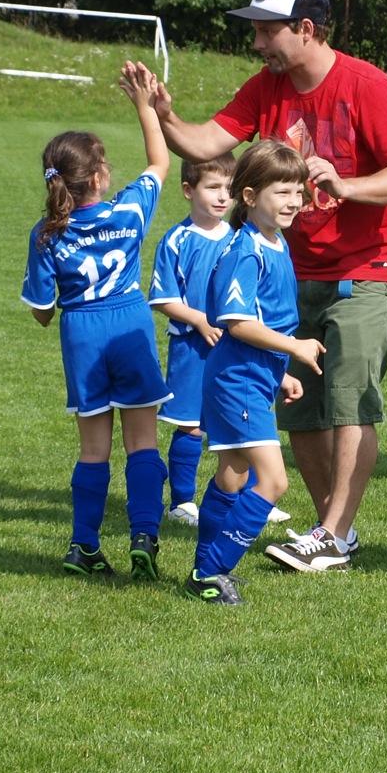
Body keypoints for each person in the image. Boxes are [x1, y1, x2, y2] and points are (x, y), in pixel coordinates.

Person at [138, 0, 387, 575]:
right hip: (292, 268)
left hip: (369, 263)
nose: (258, 44)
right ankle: (333, 534)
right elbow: (204, 143)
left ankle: (331, 533)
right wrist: (164, 115)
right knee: (299, 406)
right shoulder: (265, 86)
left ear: (306, 29)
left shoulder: (366, 85)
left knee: (348, 396)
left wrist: (346, 185)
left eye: (268, 31)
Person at [21, 71, 172, 581]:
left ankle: (83, 545)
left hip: (82, 333)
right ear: (100, 177)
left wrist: (55, 306)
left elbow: (42, 311)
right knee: (143, 442)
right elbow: (159, 162)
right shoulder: (128, 211)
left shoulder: (46, 233)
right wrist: (144, 105)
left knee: (93, 449)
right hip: (129, 325)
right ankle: (144, 536)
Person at [187, 141, 325, 605]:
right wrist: (296, 348)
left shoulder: (275, 241)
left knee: (232, 475)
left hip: (253, 375)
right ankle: (210, 571)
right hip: (238, 381)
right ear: (249, 196)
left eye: (299, 192)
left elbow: (262, 319)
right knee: (273, 481)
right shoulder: (246, 251)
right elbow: (239, 323)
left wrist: (279, 373)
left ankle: (205, 567)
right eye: (282, 192)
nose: (294, 201)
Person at [148, 154, 236, 523]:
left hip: (234, 346)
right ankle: (182, 503)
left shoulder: (239, 238)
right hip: (191, 346)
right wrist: (199, 320)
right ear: (188, 190)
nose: (223, 196)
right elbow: (162, 298)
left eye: (229, 188)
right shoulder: (177, 240)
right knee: (192, 425)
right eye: (213, 187)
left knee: (238, 420)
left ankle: (250, 496)